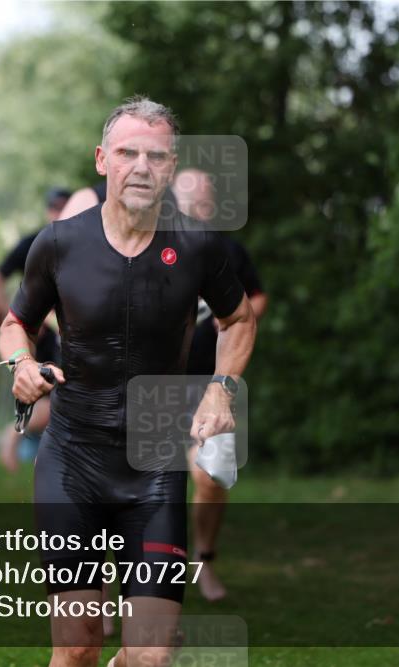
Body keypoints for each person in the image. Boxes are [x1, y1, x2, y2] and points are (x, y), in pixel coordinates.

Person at [0, 96, 257, 667]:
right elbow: (17, 322)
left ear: (171, 167)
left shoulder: (197, 244)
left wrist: (221, 387)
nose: (141, 166)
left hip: (155, 467)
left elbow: (238, 318)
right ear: (101, 161)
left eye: (156, 156)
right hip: (73, 463)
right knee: (78, 648)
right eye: (127, 152)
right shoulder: (60, 243)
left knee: (150, 656)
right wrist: (21, 364)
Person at [173, 168, 268, 602]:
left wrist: (234, 312)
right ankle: (115, 586)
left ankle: (204, 561)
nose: (196, 203)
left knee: (211, 477)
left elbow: (257, 296)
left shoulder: (228, 250)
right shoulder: (150, 247)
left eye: (202, 195)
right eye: (187, 195)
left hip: (210, 387)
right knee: (133, 485)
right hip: (151, 387)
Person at [0, 187, 70, 472]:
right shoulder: (36, 242)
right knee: (54, 392)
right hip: (45, 332)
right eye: (55, 208)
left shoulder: (82, 242)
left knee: (63, 396)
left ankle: (28, 445)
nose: (59, 213)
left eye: (64, 207)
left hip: (69, 330)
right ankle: (14, 436)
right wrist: (9, 320)